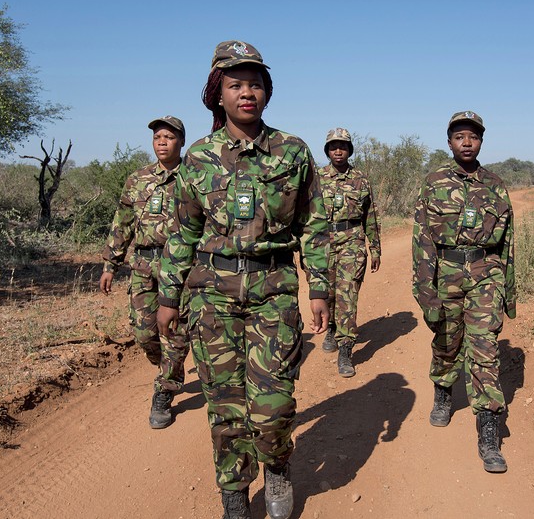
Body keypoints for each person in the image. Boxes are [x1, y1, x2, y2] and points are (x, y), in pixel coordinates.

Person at [156, 40, 330, 519]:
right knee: (226, 408)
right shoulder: (198, 158)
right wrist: (168, 296)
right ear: (218, 94)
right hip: (211, 298)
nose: (246, 93)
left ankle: (276, 465)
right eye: (235, 85)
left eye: (255, 84)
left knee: (272, 408)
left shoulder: (292, 152)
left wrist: (319, 288)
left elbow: (313, 225)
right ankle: (234, 494)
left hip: (273, 293)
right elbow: (183, 233)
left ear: (267, 93)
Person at [411, 110, 516, 473]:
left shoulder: (496, 184)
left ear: (481, 141)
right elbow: (421, 239)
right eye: (459, 136)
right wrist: (425, 290)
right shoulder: (434, 181)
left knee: (485, 349)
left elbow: (508, 243)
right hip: (446, 272)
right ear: (449, 141)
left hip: (486, 273)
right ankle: (443, 391)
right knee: (446, 341)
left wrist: (508, 291)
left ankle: (489, 432)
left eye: (473, 137)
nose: (466, 142)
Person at [99, 115, 190, 430]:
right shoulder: (137, 179)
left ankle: (165, 389)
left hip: (179, 267)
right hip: (143, 265)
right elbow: (122, 221)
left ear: (181, 141)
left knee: (176, 333)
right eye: (157, 137)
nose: (162, 142)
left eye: (168, 137)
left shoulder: (193, 177)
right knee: (144, 333)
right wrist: (111, 263)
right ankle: (166, 365)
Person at [317, 127, 381, 377]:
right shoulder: (317, 178)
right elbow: (307, 216)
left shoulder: (361, 180)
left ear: (350, 150)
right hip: (323, 242)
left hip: (352, 242)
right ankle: (331, 327)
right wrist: (304, 248)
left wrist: (375, 248)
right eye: (333, 146)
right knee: (328, 291)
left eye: (342, 146)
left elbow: (371, 216)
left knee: (347, 293)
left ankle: (345, 349)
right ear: (327, 151)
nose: (338, 151)